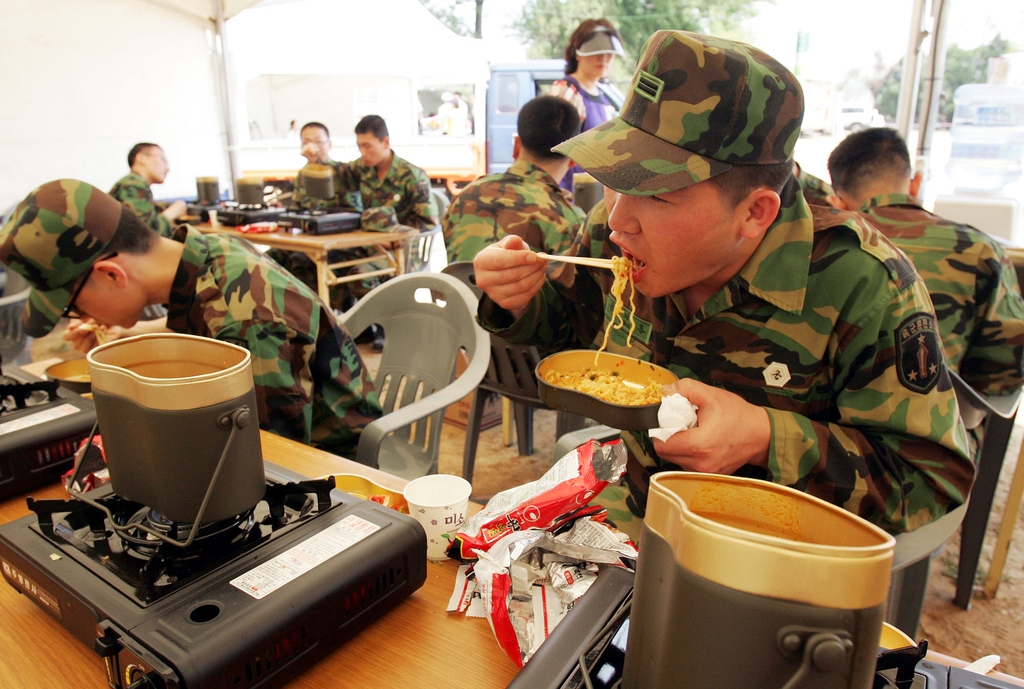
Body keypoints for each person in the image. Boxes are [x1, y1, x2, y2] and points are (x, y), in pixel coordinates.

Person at [471, 30, 973, 539]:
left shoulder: (863, 284)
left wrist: (765, 437)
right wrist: (520, 299)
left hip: (772, 559)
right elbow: (575, 327)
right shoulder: (612, 230)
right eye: (615, 180)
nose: (619, 220)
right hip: (637, 520)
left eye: (658, 196)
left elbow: (930, 482)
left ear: (755, 212)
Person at [0, 180, 383, 459]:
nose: (80, 319)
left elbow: (270, 457)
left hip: (333, 460)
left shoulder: (244, 322)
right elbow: (199, 324)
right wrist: (126, 336)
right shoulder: (201, 254)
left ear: (112, 275)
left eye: (74, 307)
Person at [826, 127, 1024, 403]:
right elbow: (1004, 372)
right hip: (941, 428)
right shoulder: (980, 250)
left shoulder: (822, 247)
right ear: (915, 183)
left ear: (839, 201)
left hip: (821, 434)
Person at [444, 95, 585, 263]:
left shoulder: (466, 195)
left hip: (455, 290)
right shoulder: (568, 220)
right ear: (573, 156)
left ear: (516, 145)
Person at [549, 18, 624, 193]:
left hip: (595, 191)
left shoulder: (603, 96)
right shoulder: (566, 91)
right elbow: (550, 148)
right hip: (570, 193)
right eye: (596, 51)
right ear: (577, 53)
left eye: (609, 53)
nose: (604, 58)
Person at [345, 115, 437, 230]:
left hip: (400, 244)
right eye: (359, 146)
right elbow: (337, 171)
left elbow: (428, 223)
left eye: (367, 146)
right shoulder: (362, 167)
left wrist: (396, 235)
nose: (363, 152)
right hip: (367, 241)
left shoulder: (412, 176)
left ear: (385, 142)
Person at [109, 143, 186, 237]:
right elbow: (147, 236)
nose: (167, 168)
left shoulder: (133, 182)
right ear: (141, 158)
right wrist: (174, 211)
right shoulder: (133, 184)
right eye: (162, 159)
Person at [291, 122, 360, 212]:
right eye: (307, 142)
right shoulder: (302, 175)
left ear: (329, 144)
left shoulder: (342, 171)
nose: (312, 146)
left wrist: (319, 161)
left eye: (318, 142)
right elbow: (296, 208)